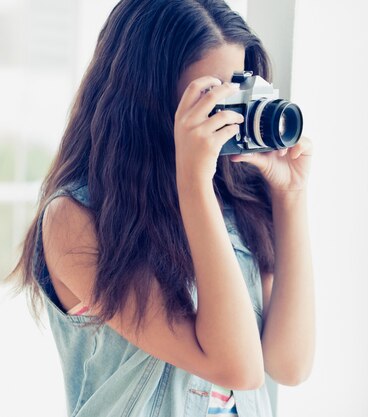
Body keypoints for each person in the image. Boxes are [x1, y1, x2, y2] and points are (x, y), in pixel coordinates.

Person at [5, 0, 315, 416]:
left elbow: (289, 364)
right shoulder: (76, 219)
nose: (228, 116)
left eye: (236, 89)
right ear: (146, 100)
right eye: (210, 95)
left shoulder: (238, 202)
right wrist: (193, 183)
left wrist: (290, 197)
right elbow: (237, 366)